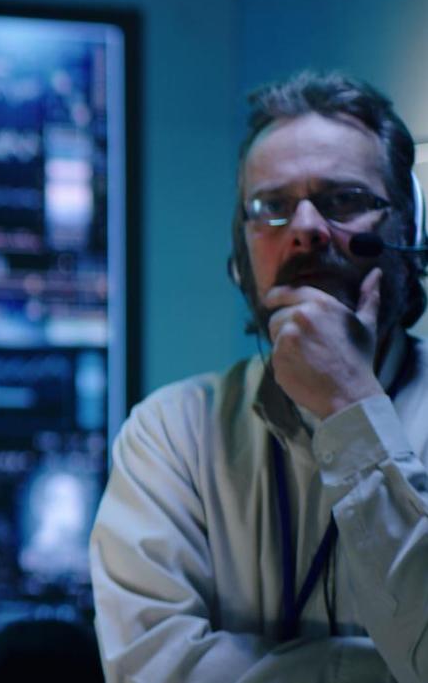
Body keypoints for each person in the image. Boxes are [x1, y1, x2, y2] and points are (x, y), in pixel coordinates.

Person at [90, 72, 428, 682]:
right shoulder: (169, 435)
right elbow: (155, 673)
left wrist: (351, 406)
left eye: (343, 200)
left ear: (407, 230)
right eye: (271, 208)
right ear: (239, 252)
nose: (304, 229)